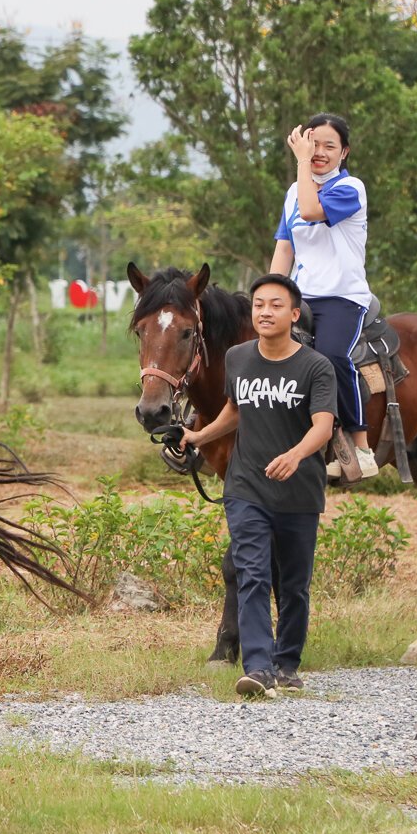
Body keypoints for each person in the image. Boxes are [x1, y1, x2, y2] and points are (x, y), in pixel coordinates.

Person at [181, 273, 337, 697]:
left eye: (275, 305)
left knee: (293, 584)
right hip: (247, 487)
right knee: (251, 572)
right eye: (259, 305)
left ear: (293, 313)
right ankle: (258, 667)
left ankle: (286, 662)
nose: (265, 312)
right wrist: (200, 435)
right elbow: (235, 409)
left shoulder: (315, 366)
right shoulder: (238, 358)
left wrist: (296, 455)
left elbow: (323, 425)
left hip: (299, 491)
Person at [269, 112, 378, 482]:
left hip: (341, 297)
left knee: (331, 357)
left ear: (343, 152)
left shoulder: (351, 188)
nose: (318, 152)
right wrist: (270, 293)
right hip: (302, 296)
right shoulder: (292, 193)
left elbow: (313, 210)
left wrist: (301, 162)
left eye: (329, 146)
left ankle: (360, 447)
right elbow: (285, 248)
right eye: (312, 143)